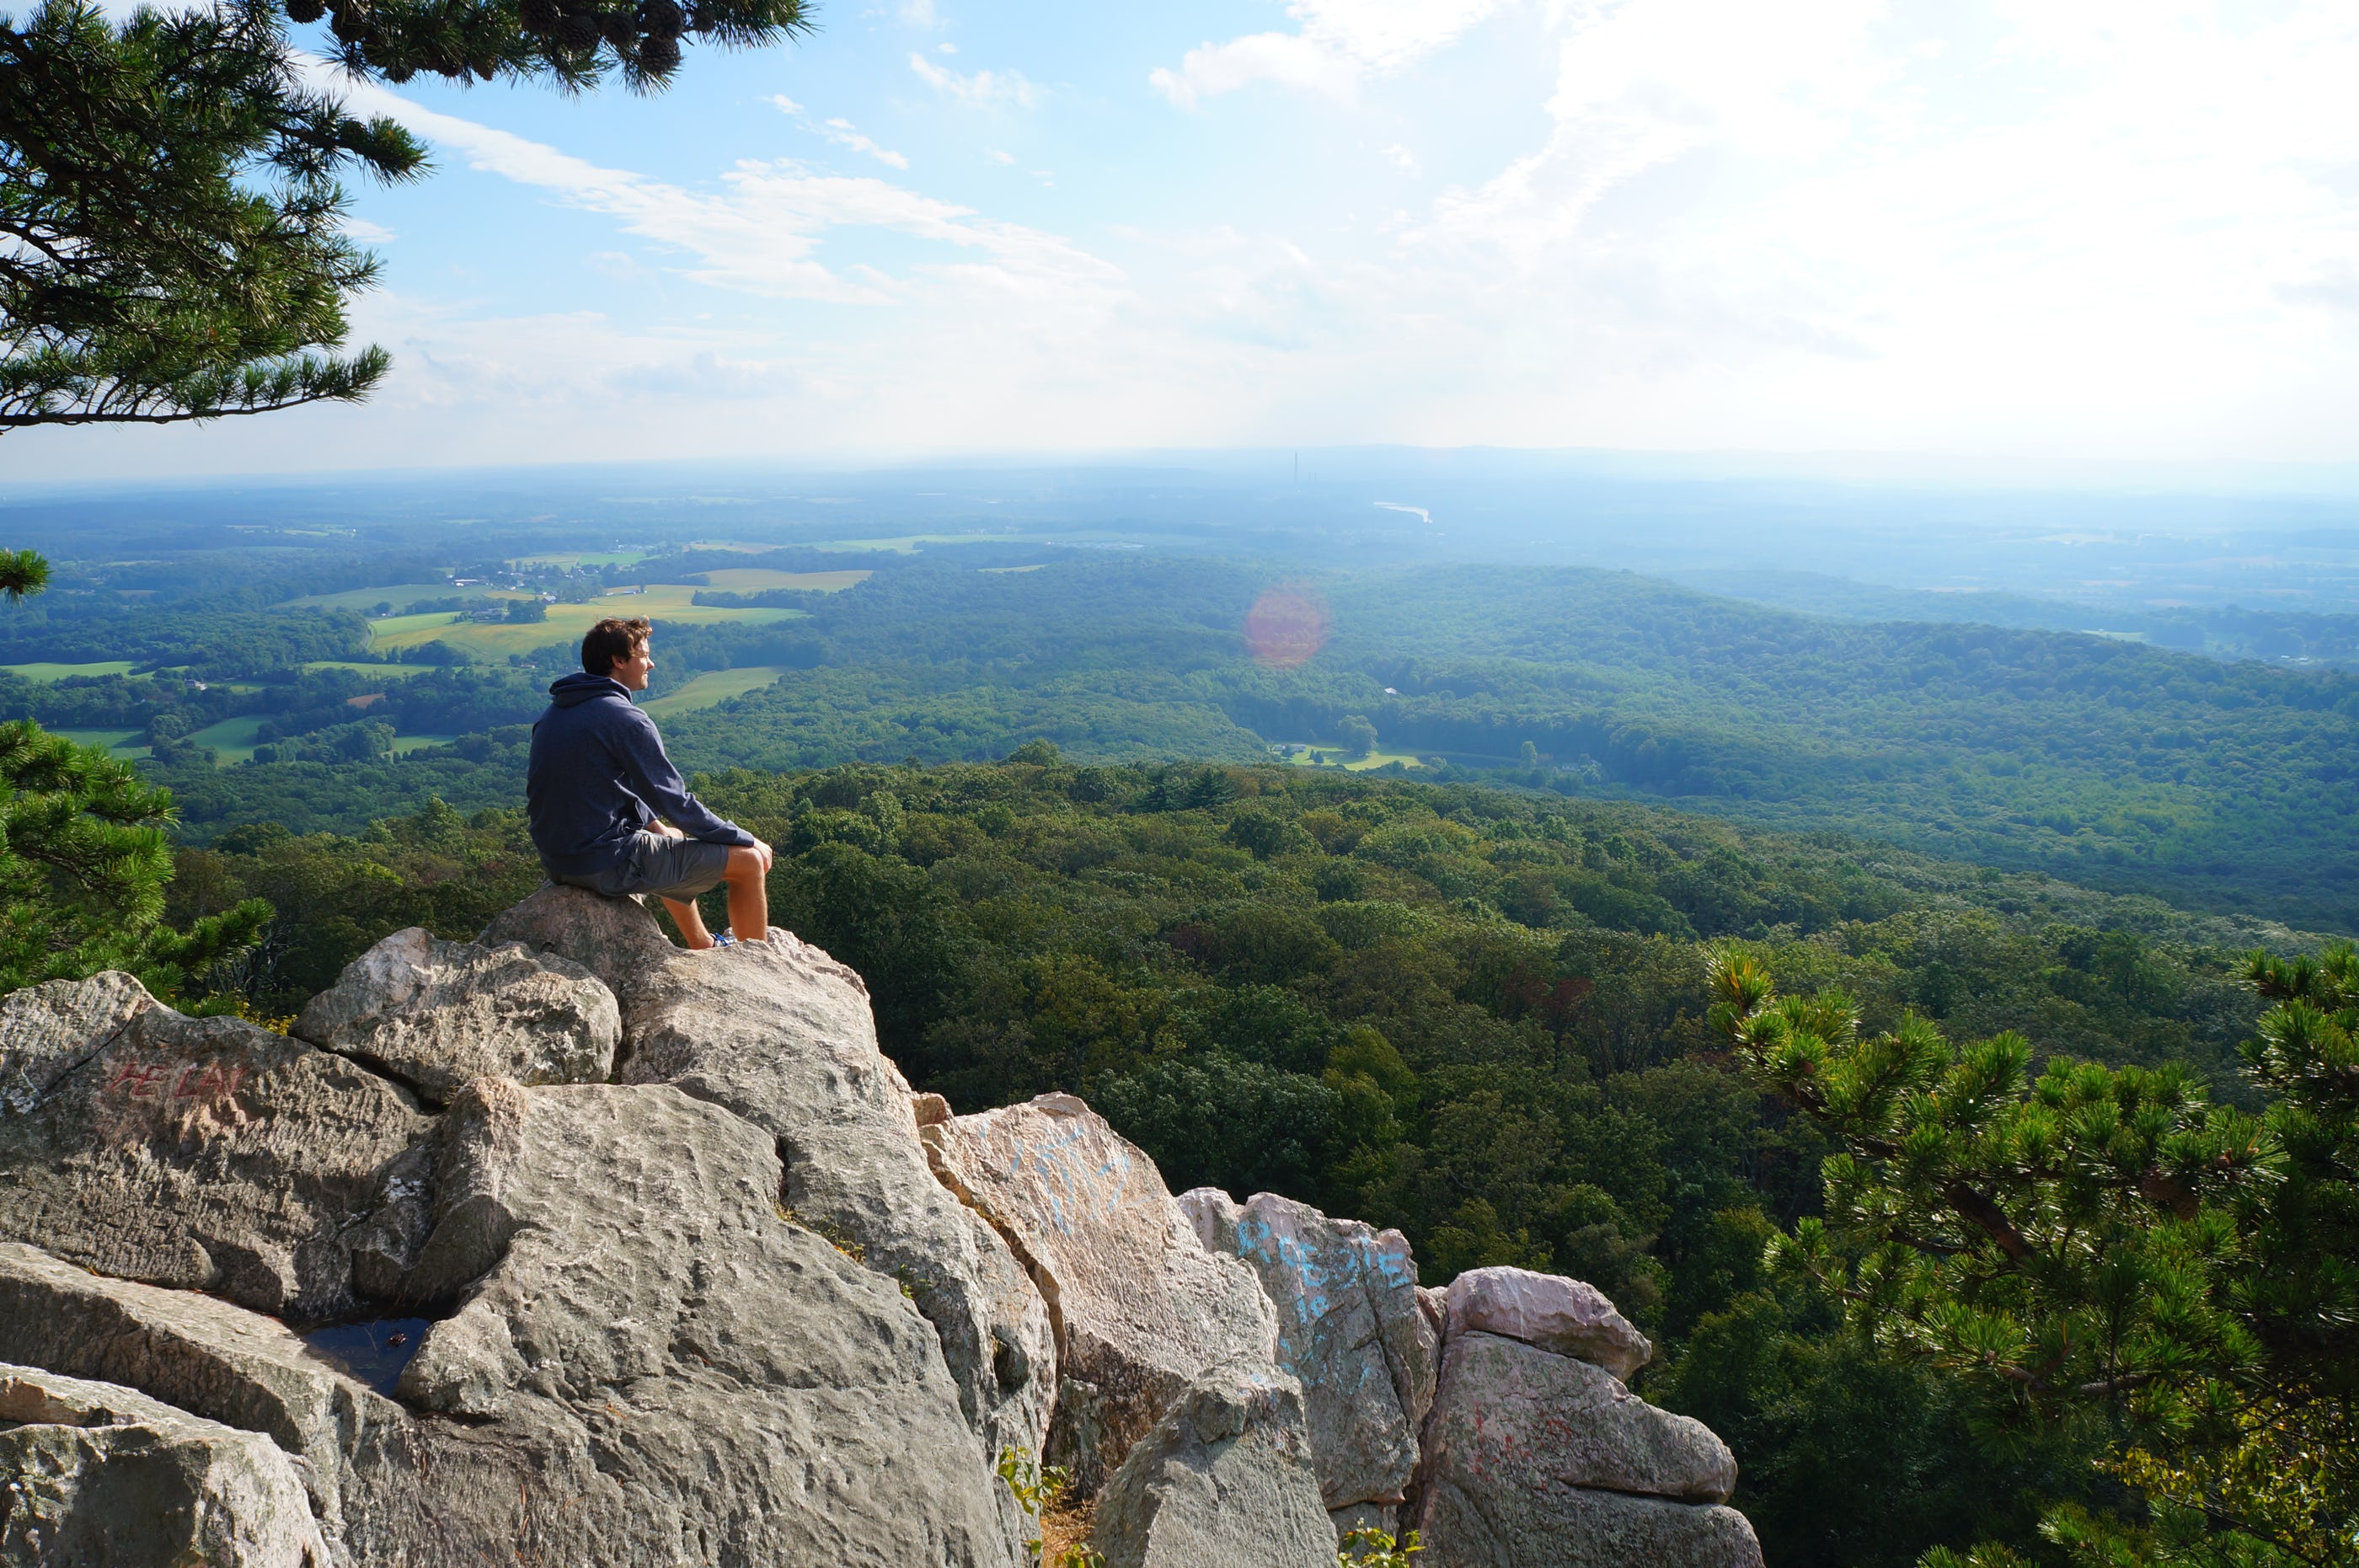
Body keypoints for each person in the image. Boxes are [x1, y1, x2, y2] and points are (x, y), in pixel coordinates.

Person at [526, 615, 773, 948]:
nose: (651, 664)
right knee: (749, 862)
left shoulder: (557, 712)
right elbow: (676, 801)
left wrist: (654, 825)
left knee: (669, 834)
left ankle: (701, 943)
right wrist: (745, 839)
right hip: (601, 863)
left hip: (559, 861)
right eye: (644, 655)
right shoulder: (625, 719)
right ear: (618, 661)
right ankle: (757, 963)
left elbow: (605, 788)